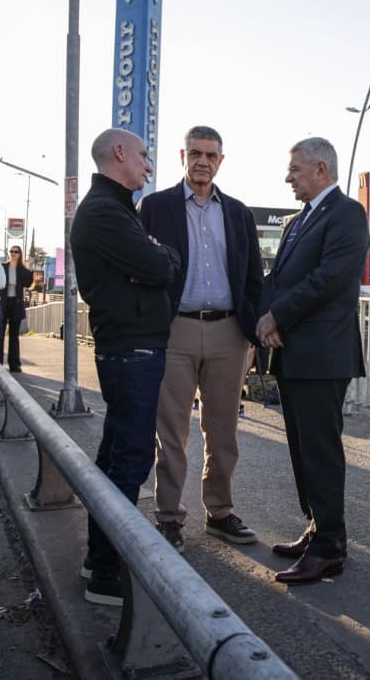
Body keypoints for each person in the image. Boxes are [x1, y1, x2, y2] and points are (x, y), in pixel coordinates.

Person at [138, 126, 264, 551]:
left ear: (221, 161)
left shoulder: (239, 213)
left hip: (229, 333)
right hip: (176, 330)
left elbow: (253, 278)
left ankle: (220, 511)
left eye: (211, 155)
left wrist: (254, 328)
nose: (203, 161)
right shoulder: (155, 207)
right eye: (196, 153)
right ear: (183, 156)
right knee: (171, 430)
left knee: (223, 429)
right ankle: (169, 517)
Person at [70, 128, 180, 606]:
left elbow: (156, 261)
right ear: (119, 154)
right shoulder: (103, 213)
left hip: (134, 347)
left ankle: (100, 558)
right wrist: (160, 256)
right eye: (143, 155)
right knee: (130, 459)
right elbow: (161, 266)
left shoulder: (116, 210)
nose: (148, 165)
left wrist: (158, 256)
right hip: (131, 351)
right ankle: (107, 573)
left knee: (119, 455)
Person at [256, 137, 369, 585]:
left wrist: (276, 314)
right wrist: (264, 318)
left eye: (295, 169)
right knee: (302, 450)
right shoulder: (297, 220)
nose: (288, 177)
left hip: (323, 356)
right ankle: (317, 526)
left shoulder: (346, 214)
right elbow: (279, 277)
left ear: (321, 169)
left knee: (321, 451)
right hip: (293, 353)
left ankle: (329, 548)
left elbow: (328, 280)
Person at [0, 244, 34, 372]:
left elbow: (28, 283)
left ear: (20, 254)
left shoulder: (22, 270)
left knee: (14, 336)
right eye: (11, 251)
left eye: (16, 251)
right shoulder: (3, 267)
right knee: (0, 334)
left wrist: (30, 267)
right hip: (3, 303)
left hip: (16, 303)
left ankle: (14, 364)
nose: (13, 253)